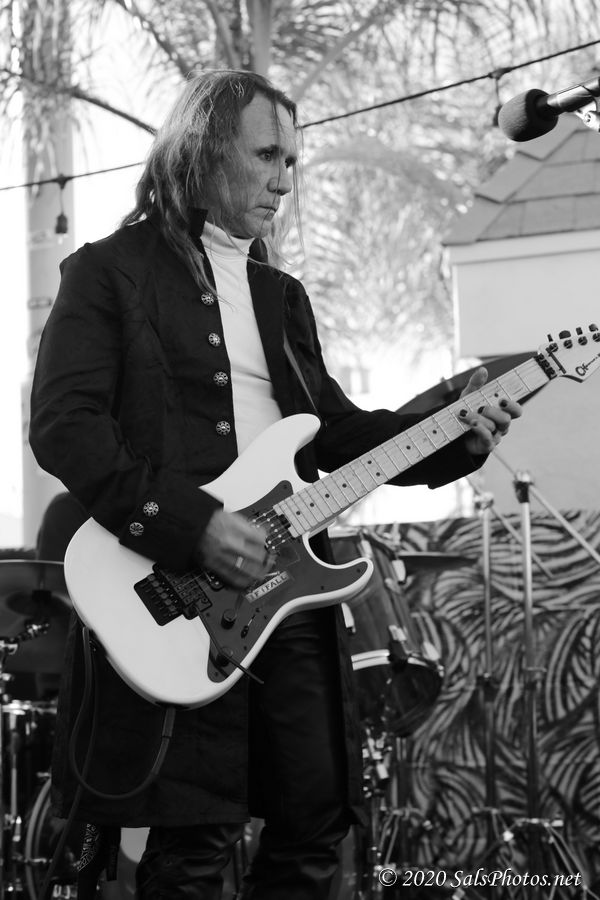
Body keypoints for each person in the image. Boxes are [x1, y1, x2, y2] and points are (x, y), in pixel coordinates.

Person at [28, 69, 521, 900]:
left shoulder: (279, 297)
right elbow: (64, 426)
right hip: (174, 592)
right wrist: (191, 525)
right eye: (267, 156)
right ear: (202, 152)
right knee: (192, 842)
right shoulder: (107, 272)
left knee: (315, 825)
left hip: (288, 594)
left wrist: (454, 431)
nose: (285, 181)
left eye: (292, 161)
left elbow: (338, 436)